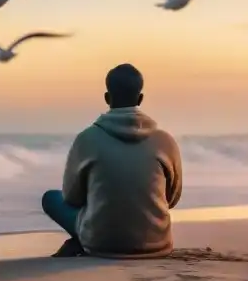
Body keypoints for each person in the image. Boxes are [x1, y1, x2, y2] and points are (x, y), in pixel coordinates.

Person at [41, 63, 183, 258]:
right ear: (140, 99)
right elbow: (171, 199)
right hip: (157, 245)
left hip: (100, 244)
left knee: (51, 199)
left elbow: (72, 199)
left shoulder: (87, 138)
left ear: (107, 98)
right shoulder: (165, 141)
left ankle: (83, 238)